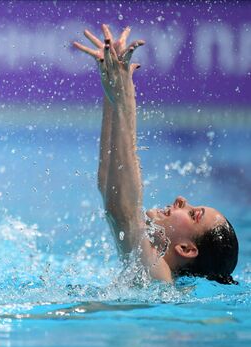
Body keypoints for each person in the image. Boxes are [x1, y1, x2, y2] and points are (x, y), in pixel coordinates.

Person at [73, 25, 239, 285]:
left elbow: (122, 210)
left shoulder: (159, 276)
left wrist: (123, 97)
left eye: (194, 214)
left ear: (186, 250)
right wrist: (114, 89)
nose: (182, 200)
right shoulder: (151, 272)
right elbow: (108, 182)